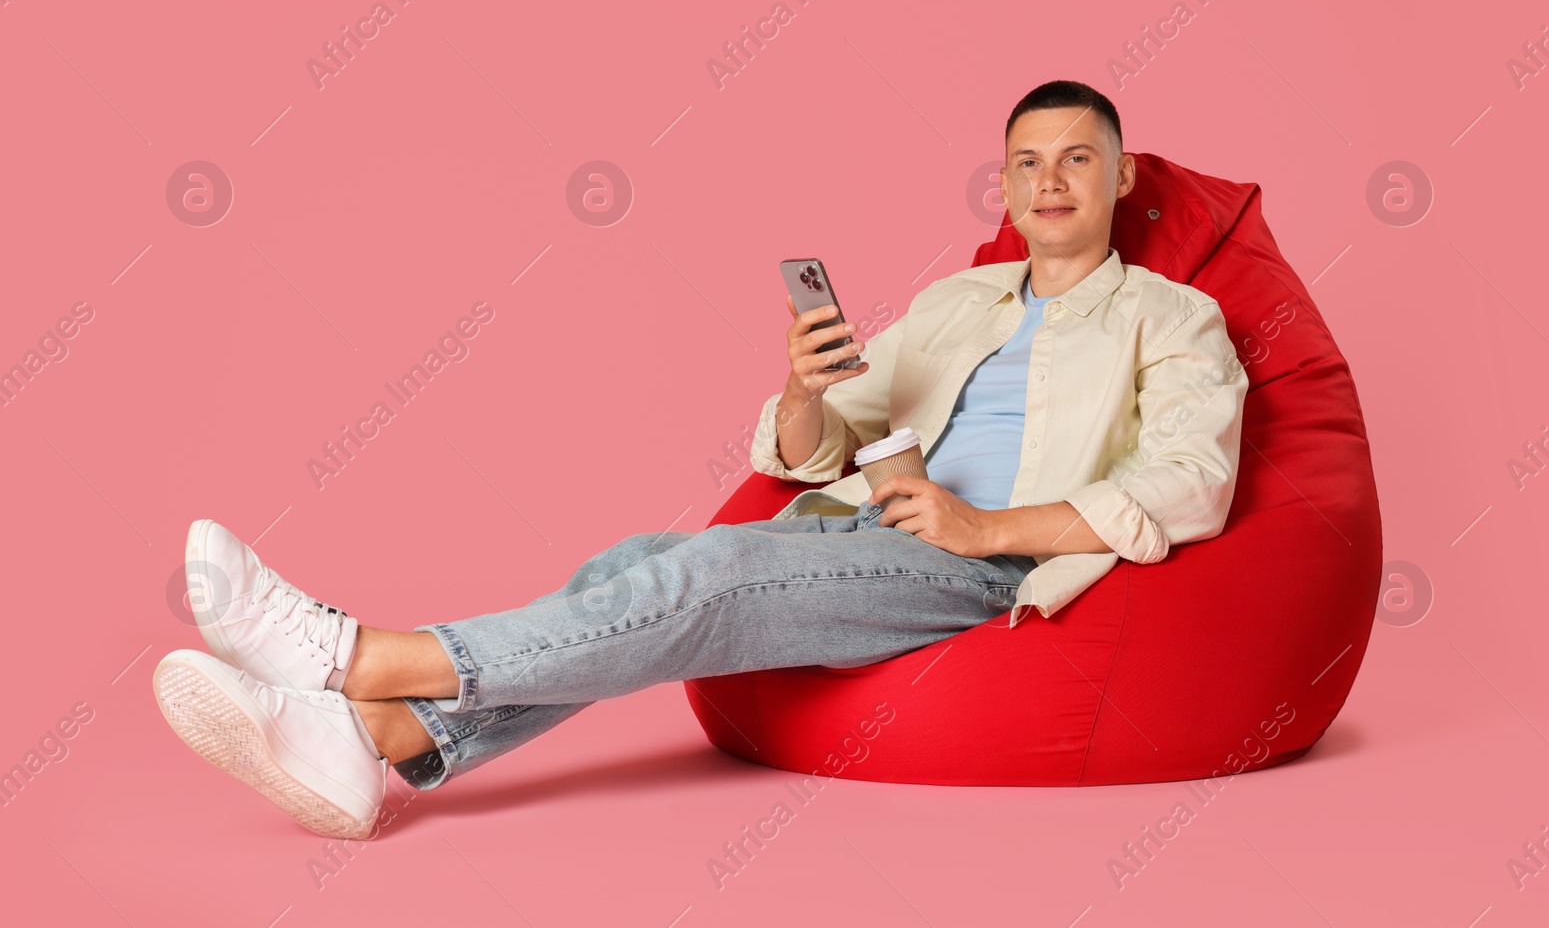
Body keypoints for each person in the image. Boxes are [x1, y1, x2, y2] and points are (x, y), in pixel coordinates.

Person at [152, 80, 1249, 840]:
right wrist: (806, 388)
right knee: (639, 555)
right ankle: (377, 737)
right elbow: (821, 447)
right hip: (870, 527)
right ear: (1003, 185)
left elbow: (1189, 482)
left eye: (1076, 160)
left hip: (989, 566)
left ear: (1116, 178)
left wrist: (987, 530)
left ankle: (354, 658)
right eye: (1027, 162)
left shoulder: (1174, 317)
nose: (1049, 180)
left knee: (709, 575)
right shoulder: (957, 300)